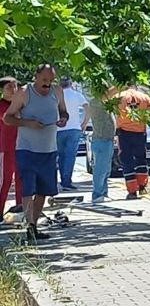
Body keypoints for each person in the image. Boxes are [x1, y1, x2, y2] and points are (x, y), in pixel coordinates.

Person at [3, 66, 68, 243]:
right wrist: (27, 123)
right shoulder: (24, 93)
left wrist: (64, 118)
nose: (47, 84)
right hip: (27, 149)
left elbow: (64, 110)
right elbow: (7, 118)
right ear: (36, 77)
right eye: (44, 80)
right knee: (27, 188)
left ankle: (34, 226)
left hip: (49, 149)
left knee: (43, 190)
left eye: (51, 80)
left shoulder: (57, 91)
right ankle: (29, 225)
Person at [113, 85, 150, 199]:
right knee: (141, 159)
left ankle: (132, 191)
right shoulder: (144, 97)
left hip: (124, 133)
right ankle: (142, 186)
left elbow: (108, 105)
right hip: (140, 132)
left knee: (127, 160)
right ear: (135, 86)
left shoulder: (118, 97)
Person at [84, 88, 116, 203]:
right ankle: (97, 194)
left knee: (106, 169)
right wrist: (123, 84)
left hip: (107, 140)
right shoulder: (96, 102)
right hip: (101, 140)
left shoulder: (105, 103)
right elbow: (109, 93)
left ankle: (103, 193)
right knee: (100, 170)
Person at [56, 78, 87, 191]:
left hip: (59, 129)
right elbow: (86, 107)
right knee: (70, 156)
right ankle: (66, 180)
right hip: (74, 128)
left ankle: (62, 179)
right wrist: (84, 122)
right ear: (70, 84)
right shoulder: (76, 95)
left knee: (60, 155)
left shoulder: (57, 95)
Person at [0, 77, 23, 214]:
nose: (13, 90)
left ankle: (21, 208)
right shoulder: (2, 105)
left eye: (15, 87)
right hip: (5, 148)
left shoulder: (20, 105)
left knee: (21, 180)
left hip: (20, 147)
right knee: (5, 181)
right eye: (9, 87)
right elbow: (10, 120)